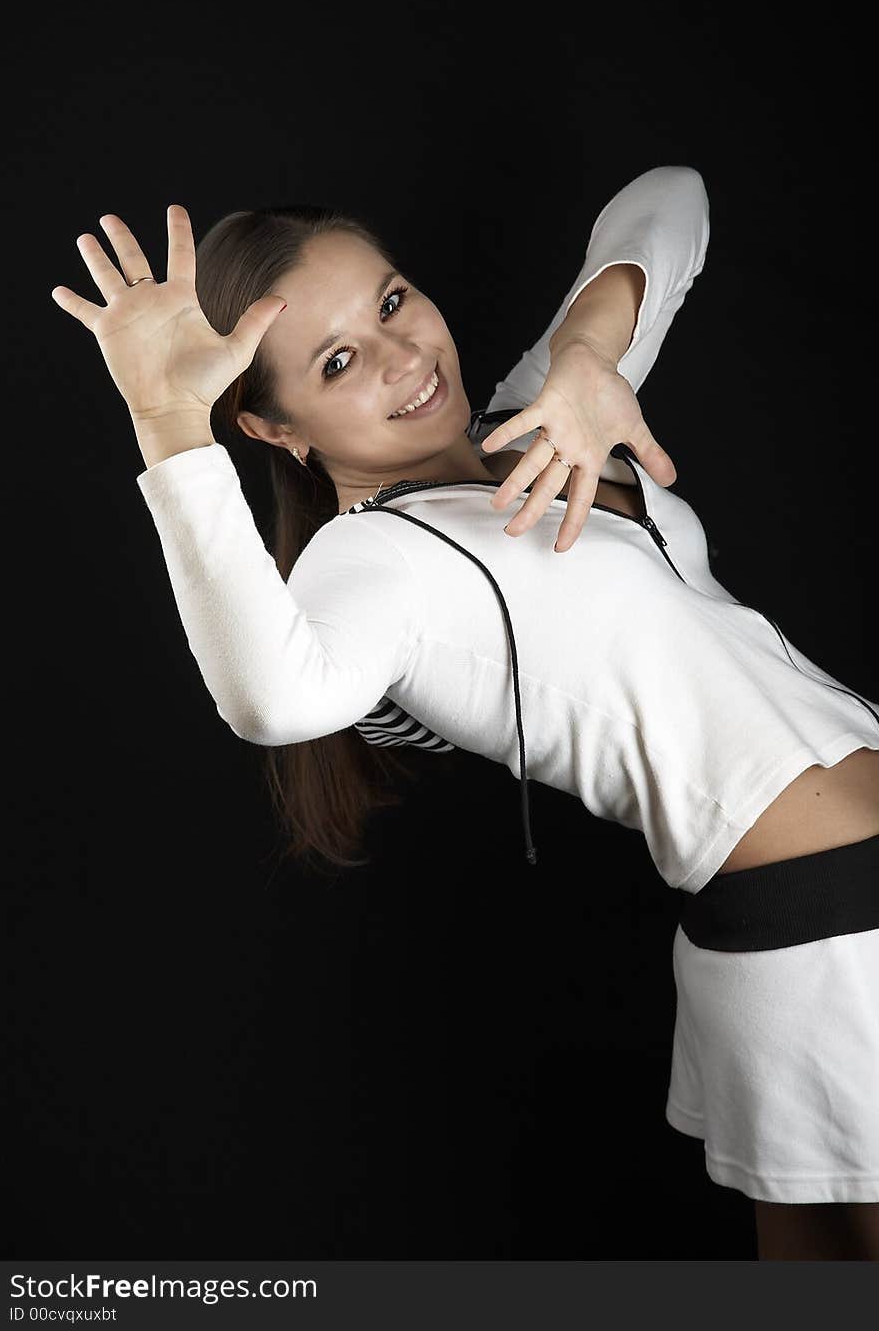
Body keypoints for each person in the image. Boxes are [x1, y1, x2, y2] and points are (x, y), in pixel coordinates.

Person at [51, 166, 879, 1259]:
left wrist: (586, 359)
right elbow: (271, 697)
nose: (403, 358)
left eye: (391, 301)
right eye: (338, 362)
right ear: (274, 427)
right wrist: (167, 419)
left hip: (807, 934)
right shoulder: (373, 558)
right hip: (830, 933)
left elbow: (668, 202)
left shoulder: (535, 416)